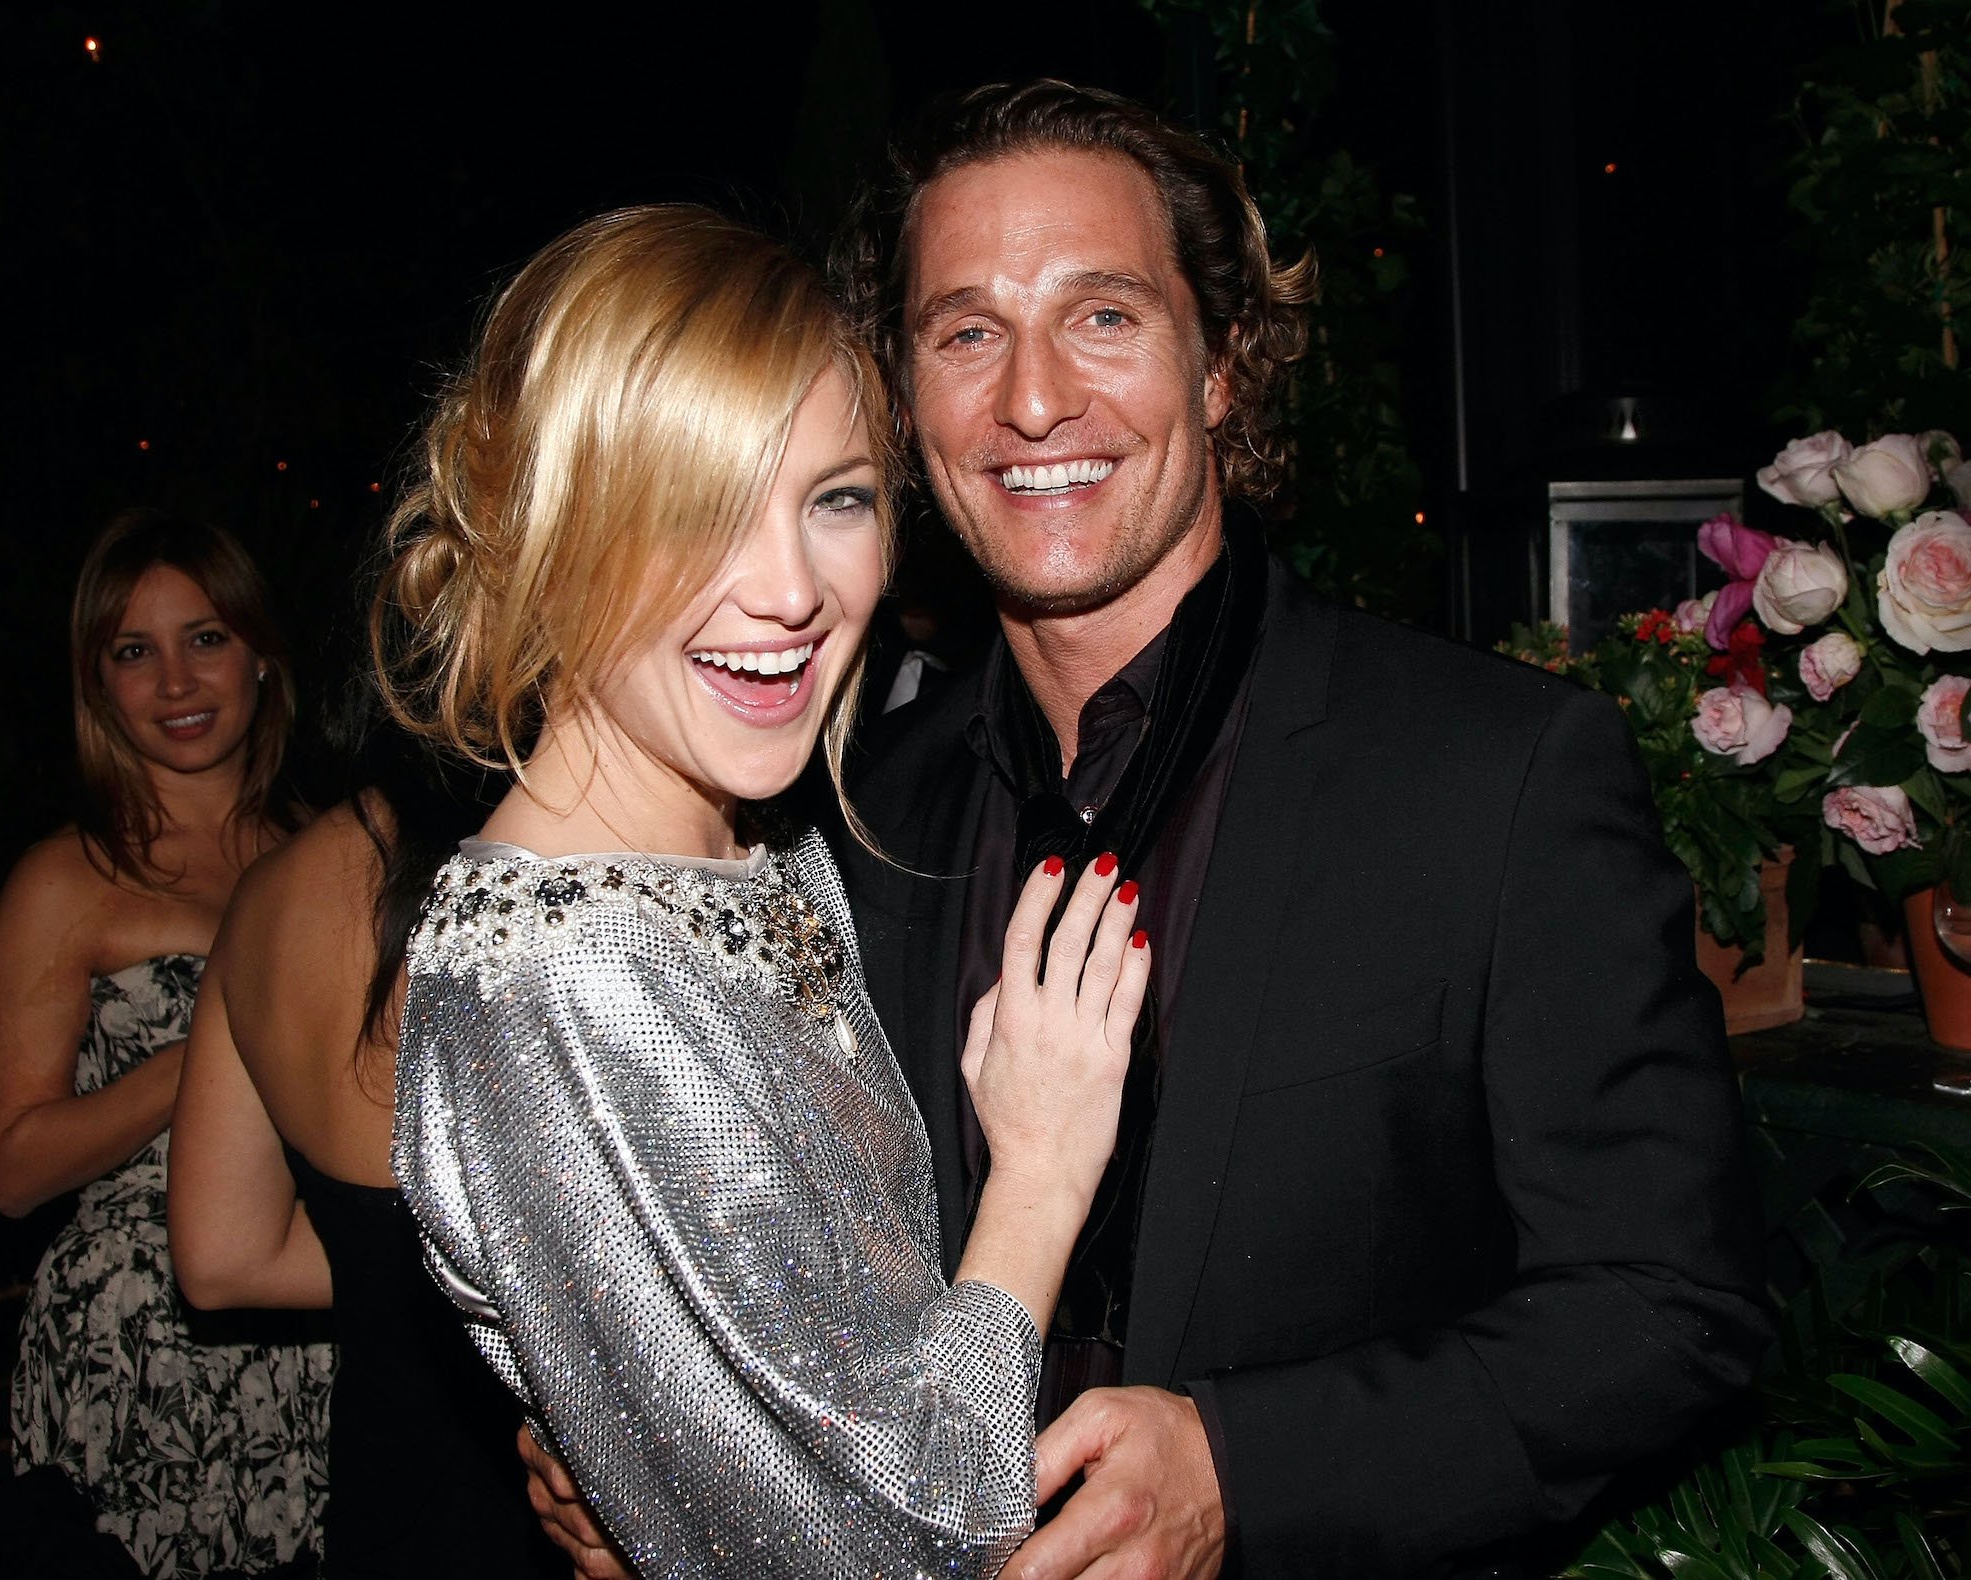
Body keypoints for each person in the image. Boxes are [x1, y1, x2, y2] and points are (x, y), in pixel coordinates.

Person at [526, 81, 1771, 1580]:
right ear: (903, 406)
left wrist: (1243, 1474)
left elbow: (1668, 1304)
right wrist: (676, 1443)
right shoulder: (850, 814)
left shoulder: (1493, 778)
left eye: (1102, 316)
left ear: (1221, 364)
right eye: (965, 334)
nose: (1032, 400)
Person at [379, 204, 1154, 1578]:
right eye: (695, 511)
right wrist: (1038, 1176)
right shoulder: (565, 976)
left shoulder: (761, 841)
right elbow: (890, 1546)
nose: (790, 591)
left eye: (835, 498)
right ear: (549, 528)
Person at [0, 510, 333, 1577]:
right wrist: (208, 1056)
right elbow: (10, 1168)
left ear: (261, 654)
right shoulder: (66, 880)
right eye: (134, 651)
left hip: (318, 1310)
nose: (176, 681)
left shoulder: (334, 854)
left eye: (205, 638)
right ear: (98, 685)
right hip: (138, 1338)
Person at [166, 692, 564, 1578]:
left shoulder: (271, 893)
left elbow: (223, 1257)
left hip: (386, 1504)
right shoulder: (580, 876)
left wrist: (394, 1266)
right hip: (562, 1510)